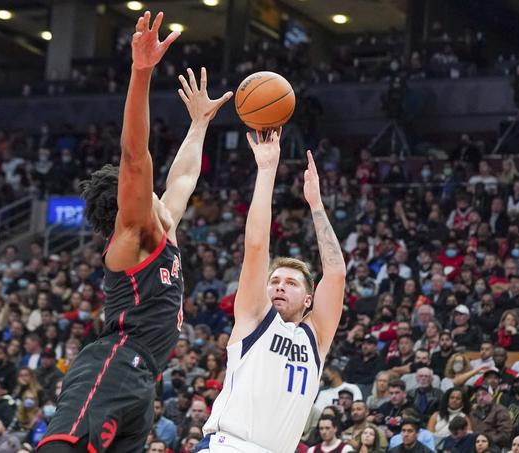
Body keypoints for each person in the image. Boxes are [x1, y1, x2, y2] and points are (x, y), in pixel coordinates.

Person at [38, 11, 231, 453]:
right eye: (143, 188)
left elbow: (184, 177)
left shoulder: (164, 227)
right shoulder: (135, 231)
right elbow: (134, 153)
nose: (155, 186)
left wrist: (199, 124)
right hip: (113, 364)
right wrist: (141, 73)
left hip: (142, 380)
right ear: (131, 198)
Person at [199, 143, 346, 452]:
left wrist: (316, 205)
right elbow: (255, 247)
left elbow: (335, 274)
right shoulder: (254, 317)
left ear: (309, 300)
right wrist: (266, 172)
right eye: (275, 281)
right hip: (229, 446)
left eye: (291, 283)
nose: (279, 286)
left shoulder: (315, 337)